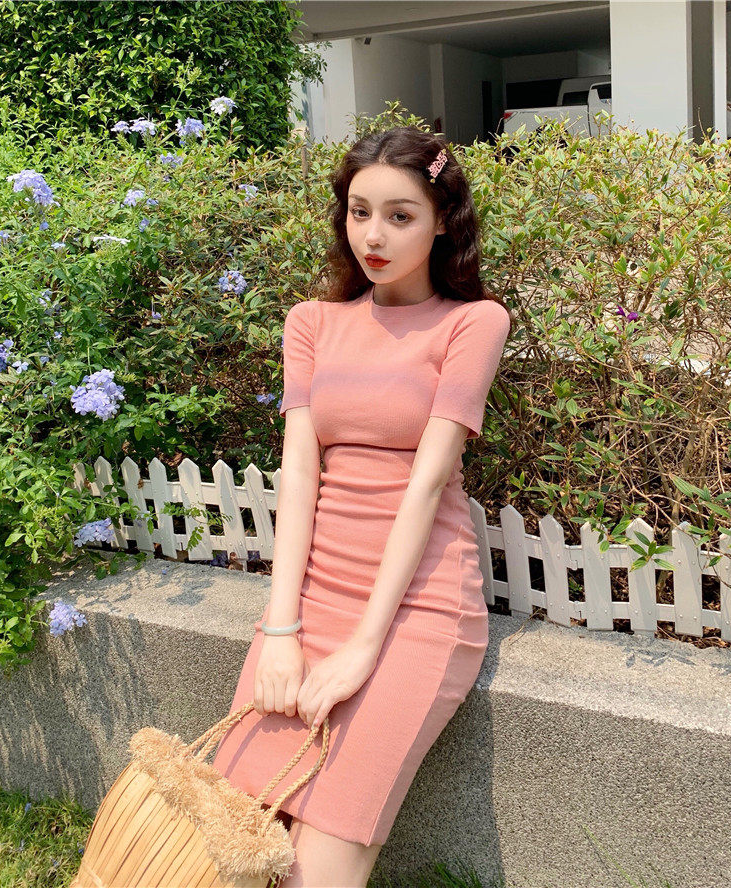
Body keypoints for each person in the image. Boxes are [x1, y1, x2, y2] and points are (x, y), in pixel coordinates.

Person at [211, 125, 512, 888]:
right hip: (311, 598)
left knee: (318, 869)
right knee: (228, 845)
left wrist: (363, 648)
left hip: (416, 609)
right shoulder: (311, 323)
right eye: (359, 211)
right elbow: (299, 474)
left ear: (442, 221)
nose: (373, 236)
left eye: (400, 216)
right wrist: (280, 632)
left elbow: (426, 485)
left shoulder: (474, 322)